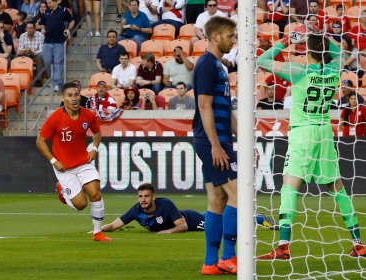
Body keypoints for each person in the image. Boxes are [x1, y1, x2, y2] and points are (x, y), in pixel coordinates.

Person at [256, 22, 366, 259]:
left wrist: (289, 40)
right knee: (338, 189)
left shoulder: (299, 72)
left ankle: (284, 245)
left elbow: (262, 61)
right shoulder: (334, 71)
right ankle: (358, 243)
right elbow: (341, 53)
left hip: (303, 133)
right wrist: (321, 35)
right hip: (325, 130)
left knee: (289, 187)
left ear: (307, 51)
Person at [36, 82, 111, 242]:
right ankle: (62, 191)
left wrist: (94, 149)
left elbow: (97, 133)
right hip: (64, 169)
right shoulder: (55, 118)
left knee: (95, 194)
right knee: (81, 205)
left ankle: (97, 233)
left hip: (83, 163)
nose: (74, 98)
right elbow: (40, 141)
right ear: (63, 98)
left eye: (76, 94)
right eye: (70, 96)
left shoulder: (88, 115)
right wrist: (53, 160)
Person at [193, 16, 237, 275]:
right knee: (238, 196)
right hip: (213, 141)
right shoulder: (207, 64)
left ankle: (210, 262)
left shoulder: (219, 66)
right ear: (214, 37)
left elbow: (227, 111)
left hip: (218, 139)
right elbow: (204, 105)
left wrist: (242, 138)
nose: (234, 40)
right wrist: (215, 145)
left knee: (217, 199)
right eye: (230, 36)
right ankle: (229, 257)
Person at [102, 183, 278, 234]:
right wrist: (97, 230)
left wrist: (168, 232)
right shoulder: (136, 210)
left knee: (224, 225)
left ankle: (258, 219)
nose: (143, 200)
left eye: (147, 196)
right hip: (193, 216)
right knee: (217, 215)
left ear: (153, 197)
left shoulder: (165, 204)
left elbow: (183, 225)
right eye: (140, 197)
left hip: (193, 220)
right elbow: (113, 225)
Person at [40, 0, 75, 92]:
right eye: (47, 3)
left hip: (59, 41)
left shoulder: (63, 10)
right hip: (47, 41)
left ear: (56, 2)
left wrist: (68, 29)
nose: (48, 5)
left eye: (50, 3)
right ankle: (51, 80)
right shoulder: (46, 11)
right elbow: (42, 24)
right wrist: (43, 29)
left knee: (58, 62)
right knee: (47, 62)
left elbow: (72, 21)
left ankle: (57, 83)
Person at [17, 22, 45, 86]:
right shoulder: (22, 36)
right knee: (17, 57)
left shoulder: (40, 35)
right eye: (28, 28)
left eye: (31, 28)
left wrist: (33, 52)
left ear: (35, 29)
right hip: (25, 53)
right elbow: (20, 48)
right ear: (26, 29)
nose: (29, 30)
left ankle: (38, 80)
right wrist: (24, 51)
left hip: (36, 54)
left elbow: (41, 50)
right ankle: (20, 78)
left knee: (40, 56)